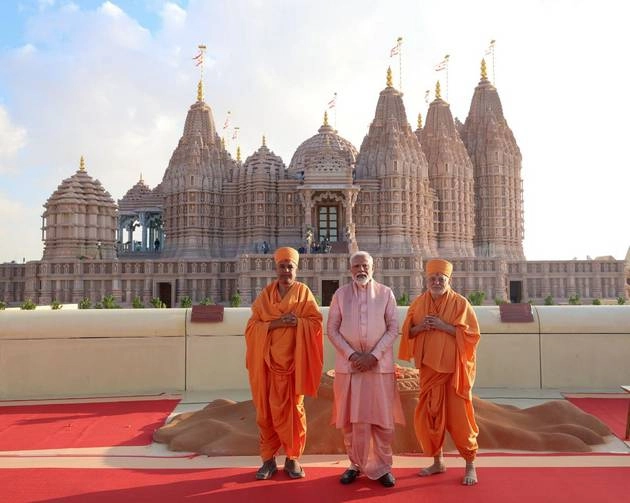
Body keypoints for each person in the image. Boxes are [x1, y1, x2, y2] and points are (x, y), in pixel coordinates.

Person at [398, 259, 481, 485]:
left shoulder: (460, 304)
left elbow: (472, 335)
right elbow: (408, 332)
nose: (436, 282)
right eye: (432, 278)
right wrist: (420, 327)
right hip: (429, 371)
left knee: (460, 419)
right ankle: (438, 461)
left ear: (448, 280)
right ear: (426, 280)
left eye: (440, 279)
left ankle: (470, 464)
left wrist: (444, 326)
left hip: (453, 373)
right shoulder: (418, 304)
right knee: (432, 417)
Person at [244, 247, 324, 480]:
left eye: (290, 267)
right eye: (282, 266)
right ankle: (268, 460)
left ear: (296, 270)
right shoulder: (266, 295)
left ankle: (292, 458)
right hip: (267, 366)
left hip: (293, 365)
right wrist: (277, 324)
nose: (286, 271)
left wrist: (298, 322)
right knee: (265, 412)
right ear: (276, 269)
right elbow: (251, 328)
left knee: (294, 412)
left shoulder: (303, 293)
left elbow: (315, 322)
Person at [327, 251, 404, 488]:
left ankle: (382, 467)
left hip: (378, 368)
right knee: (351, 420)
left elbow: (393, 328)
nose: (361, 269)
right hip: (349, 368)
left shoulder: (385, 293)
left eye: (365, 265)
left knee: (381, 419)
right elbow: (332, 329)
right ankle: (355, 465)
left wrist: (373, 356)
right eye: (356, 266)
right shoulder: (340, 295)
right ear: (350, 270)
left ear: (373, 267)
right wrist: (352, 356)